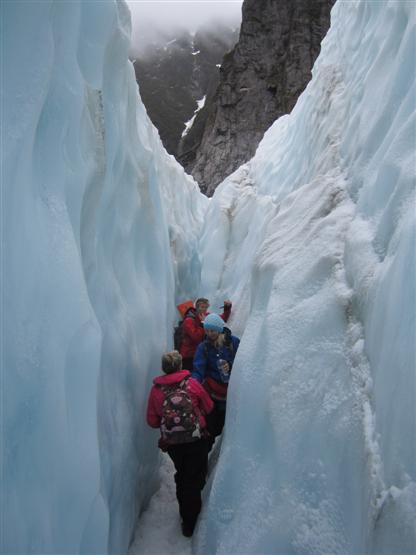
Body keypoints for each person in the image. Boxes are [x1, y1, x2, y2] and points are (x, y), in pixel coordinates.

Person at [146, 351, 213, 537]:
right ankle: (192, 519)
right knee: (194, 476)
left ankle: (185, 511)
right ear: (180, 365)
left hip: (173, 444)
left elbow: (151, 421)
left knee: (183, 474)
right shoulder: (192, 384)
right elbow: (209, 406)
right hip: (195, 438)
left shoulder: (156, 390)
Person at [192, 313, 240, 446]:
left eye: (212, 330)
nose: (209, 333)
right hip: (212, 394)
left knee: (225, 423)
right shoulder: (204, 347)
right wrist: (193, 384)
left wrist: (230, 365)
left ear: (219, 329)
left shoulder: (233, 342)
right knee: (212, 426)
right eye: (207, 330)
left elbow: (243, 362)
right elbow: (198, 369)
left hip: (230, 392)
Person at [179, 298, 232, 371]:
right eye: (202, 307)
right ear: (197, 307)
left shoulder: (206, 316)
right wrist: (203, 323)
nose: (204, 309)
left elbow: (220, 320)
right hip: (189, 356)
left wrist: (227, 308)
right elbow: (197, 338)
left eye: (206, 307)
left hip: (201, 353)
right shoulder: (189, 321)